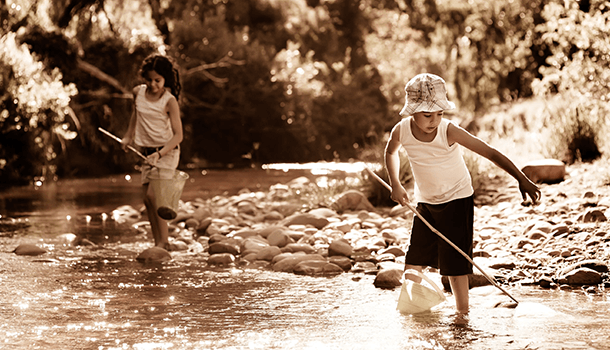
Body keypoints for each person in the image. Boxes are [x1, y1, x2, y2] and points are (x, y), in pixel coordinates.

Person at [384, 73, 541, 314]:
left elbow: (490, 152)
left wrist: (521, 178)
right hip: (425, 202)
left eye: (439, 113)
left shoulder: (448, 131)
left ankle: (462, 315)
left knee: (455, 263)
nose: (434, 120)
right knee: (414, 259)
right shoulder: (401, 130)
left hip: (457, 200)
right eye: (427, 114)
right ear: (412, 111)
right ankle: (411, 311)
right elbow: (391, 152)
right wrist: (395, 183)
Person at [121, 54, 183, 251]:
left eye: (158, 80)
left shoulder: (169, 101)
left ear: (165, 79)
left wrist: (160, 154)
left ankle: (164, 243)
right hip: (146, 154)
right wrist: (128, 136)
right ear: (143, 78)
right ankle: (158, 243)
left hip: (167, 152)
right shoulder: (137, 93)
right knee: (147, 199)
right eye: (149, 80)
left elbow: (178, 136)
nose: (153, 84)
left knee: (155, 196)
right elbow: (136, 113)